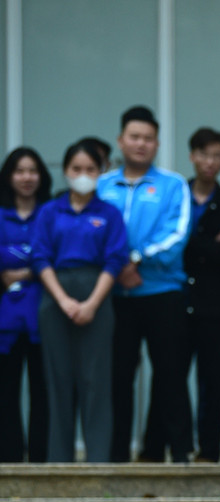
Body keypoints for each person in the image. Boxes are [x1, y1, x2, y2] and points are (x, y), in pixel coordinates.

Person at [98, 105, 193, 463]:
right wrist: (119, 265)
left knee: (170, 374)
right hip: (114, 296)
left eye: (148, 138)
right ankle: (116, 456)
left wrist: (135, 259)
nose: (140, 144)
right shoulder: (102, 185)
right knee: (117, 377)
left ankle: (180, 452)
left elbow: (177, 235)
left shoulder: (172, 185)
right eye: (134, 137)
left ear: (156, 144)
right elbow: (93, 233)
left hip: (161, 294)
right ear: (121, 140)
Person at [31, 140, 128, 462]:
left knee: (96, 381)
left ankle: (98, 460)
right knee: (57, 380)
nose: (83, 175)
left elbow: (115, 261)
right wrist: (63, 300)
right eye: (76, 169)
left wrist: (90, 304)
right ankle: (59, 461)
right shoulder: (49, 211)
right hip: (55, 295)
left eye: (90, 169)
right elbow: (40, 257)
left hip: (97, 295)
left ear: (100, 172)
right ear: (66, 171)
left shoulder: (109, 213)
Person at [182, 127, 220, 463]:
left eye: (217, 155)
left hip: (218, 305)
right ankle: (173, 448)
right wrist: (209, 245)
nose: (209, 161)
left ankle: (209, 453)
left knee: (214, 383)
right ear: (192, 156)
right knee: (172, 379)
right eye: (203, 154)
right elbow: (179, 245)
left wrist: (201, 247)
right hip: (178, 301)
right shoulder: (178, 196)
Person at [0, 147, 53, 462]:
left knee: (42, 394)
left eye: (32, 171)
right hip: (4, 322)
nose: (26, 177)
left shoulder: (51, 213)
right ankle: (8, 460)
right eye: (19, 171)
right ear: (9, 176)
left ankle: (40, 460)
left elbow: (55, 255)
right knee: (5, 395)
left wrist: (29, 269)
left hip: (44, 319)